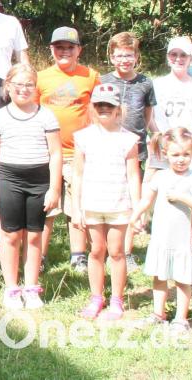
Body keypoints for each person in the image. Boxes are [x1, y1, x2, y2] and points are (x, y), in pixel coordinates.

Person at [0, 63, 61, 310]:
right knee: (10, 235)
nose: (24, 89)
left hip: (39, 180)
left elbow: (56, 153)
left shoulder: (46, 115)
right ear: (8, 86)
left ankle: (31, 288)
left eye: (29, 84)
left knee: (34, 235)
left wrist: (54, 189)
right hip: (9, 178)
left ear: (36, 87)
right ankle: (11, 288)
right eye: (19, 84)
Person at [71, 84, 141, 321]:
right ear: (93, 107)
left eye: (109, 105)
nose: (104, 108)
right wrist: (77, 208)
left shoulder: (129, 139)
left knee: (117, 252)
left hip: (119, 205)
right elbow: (77, 175)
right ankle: (96, 297)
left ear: (117, 109)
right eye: (99, 104)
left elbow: (133, 176)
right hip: (91, 204)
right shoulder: (83, 137)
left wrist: (137, 209)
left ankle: (117, 299)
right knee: (96, 250)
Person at [132, 128, 192, 334]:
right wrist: (135, 216)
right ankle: (159, 314)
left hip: (181, 241)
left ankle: (181, 319)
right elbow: (146, 200)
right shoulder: (160, 176)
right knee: (159, 277)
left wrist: (182, 197)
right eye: (175, 155)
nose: (181, 159)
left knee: (182, 279)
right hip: (161, 238)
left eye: (186, 154)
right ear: (165, 153)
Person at [36, 27, 99, 274]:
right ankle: (39, 255)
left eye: (70, 47)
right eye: (59, 47)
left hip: (77, 154)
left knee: (76, 207)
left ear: (78, 50)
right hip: (46, 153)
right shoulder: (41, 78)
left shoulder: (90, 76)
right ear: (52, 50)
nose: (64, 52)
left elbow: (95, 112)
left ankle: (78, 256)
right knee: (46, 208)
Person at [100, 31, 155, 270]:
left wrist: (156, 137)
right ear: (111, 57)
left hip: (136, 151)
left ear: (136, 56)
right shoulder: (102, 81)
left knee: (131, 200)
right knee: (107, 199)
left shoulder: (145, 83)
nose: (124, 60)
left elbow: (147, 117)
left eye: (129, 55)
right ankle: (104, 248)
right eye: (119, 55)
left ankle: (127, 250)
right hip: (107, 151)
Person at [149, 36, 192, 175]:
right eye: (173, 54)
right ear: (168, 56)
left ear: (191, 59)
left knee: (184, 186)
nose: (178, 59)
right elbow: (149, 116)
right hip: (162, 144)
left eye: (183, 55)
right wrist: (158, 136)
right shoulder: (157, 84)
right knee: (154, 184)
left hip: (185, 147)